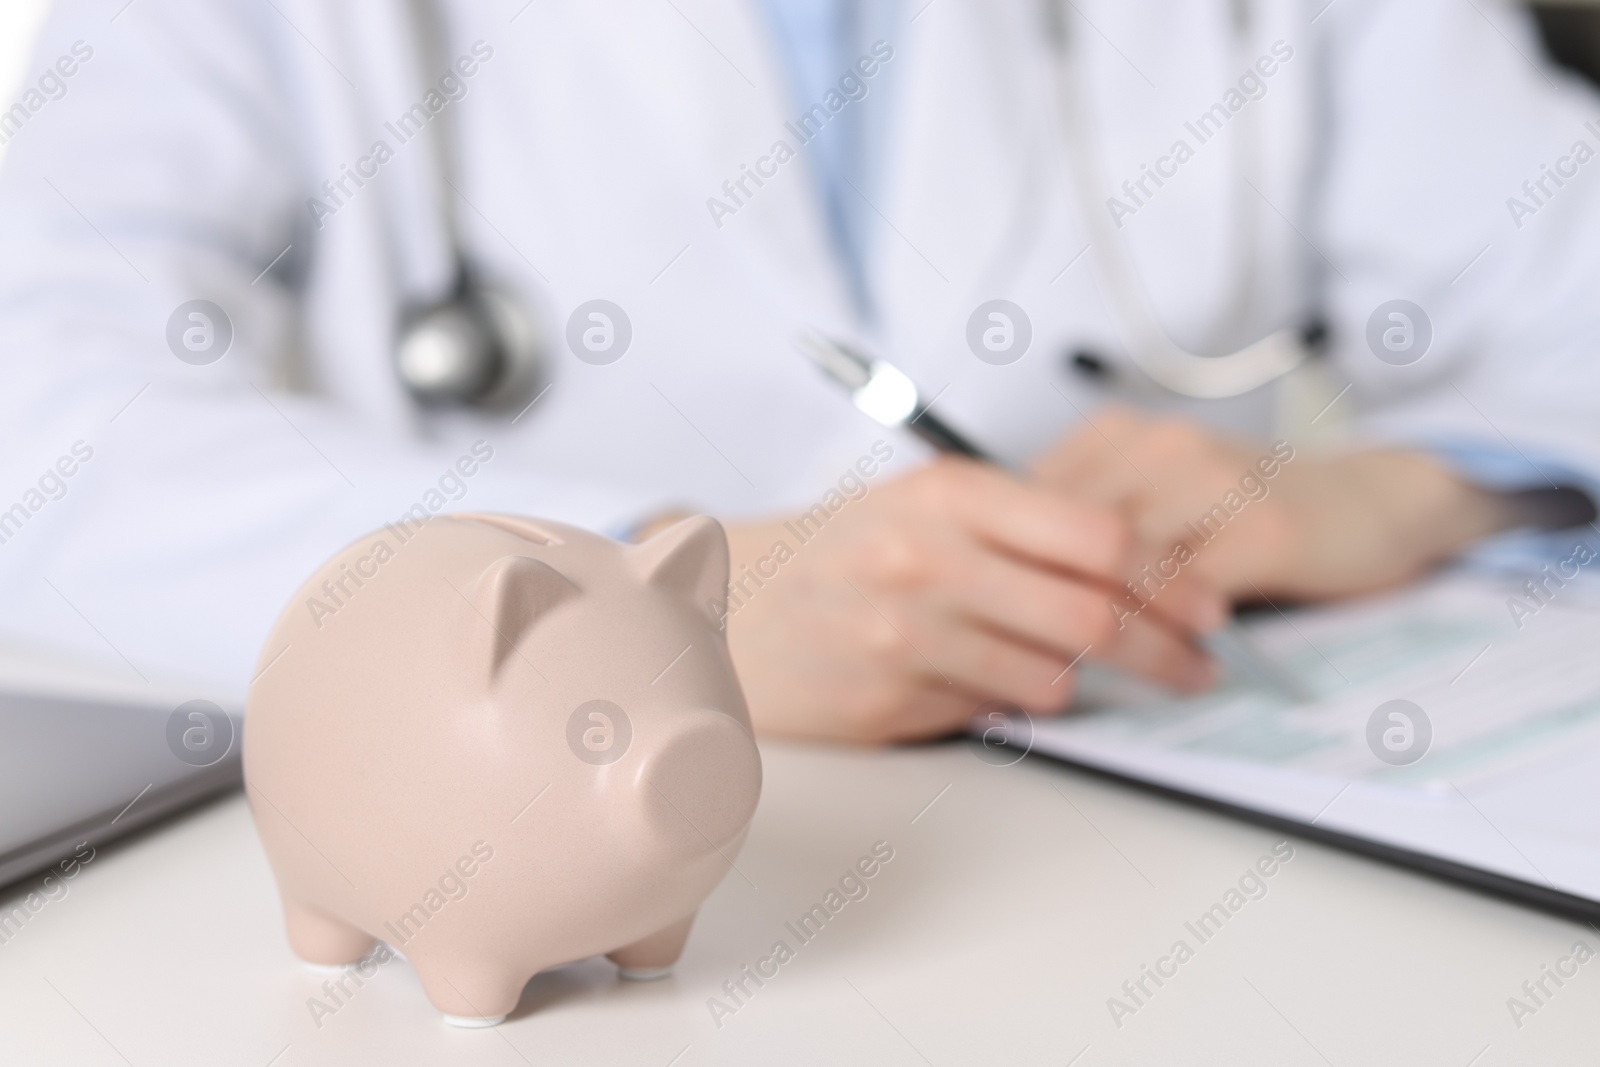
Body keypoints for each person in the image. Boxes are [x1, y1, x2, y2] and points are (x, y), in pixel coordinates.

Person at [0, 0, 1596, 743]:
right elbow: (37, 415)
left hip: (1157, 791)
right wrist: (641, 598)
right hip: (577, 866)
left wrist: (1418, 482)